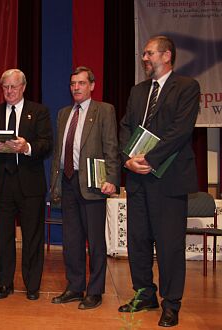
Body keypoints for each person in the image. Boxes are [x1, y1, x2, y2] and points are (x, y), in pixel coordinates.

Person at [119, 36, 200, 327]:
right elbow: (126, 125)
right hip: (137, 179)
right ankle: (144, 294)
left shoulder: (187, 87)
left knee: (169, 245)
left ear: (166, 56)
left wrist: (148, 160)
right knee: (138, 241)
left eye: (149, 53)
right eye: (143, 53)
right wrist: (128, 158)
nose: (144, 58)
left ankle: (171, 303)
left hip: (169, 178)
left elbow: (180, 131)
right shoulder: (138, 91)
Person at [0, 69, 53, 300]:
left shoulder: (38, 111)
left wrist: (27, 147)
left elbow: (47, 144)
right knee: (4, 237)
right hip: (3, 184)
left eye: (13, 87)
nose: (9, 91)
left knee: (32, 237)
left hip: (30, 185)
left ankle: (32, 286)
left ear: (23, 87)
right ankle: (4, 283)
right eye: (5, 87)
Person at [50, 67, 120, 310]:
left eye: (81, 83)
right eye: (72, 84)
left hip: (93, 183)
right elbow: (59, 151)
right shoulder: (63, 113)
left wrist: (112, 178)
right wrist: (55, 183)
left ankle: (95, 291)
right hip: (68, 182)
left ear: (92, 85)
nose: (76, 88)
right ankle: (75, 286)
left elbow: (111, 147)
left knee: (95, 241)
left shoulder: (104, 110)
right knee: (72, 240)